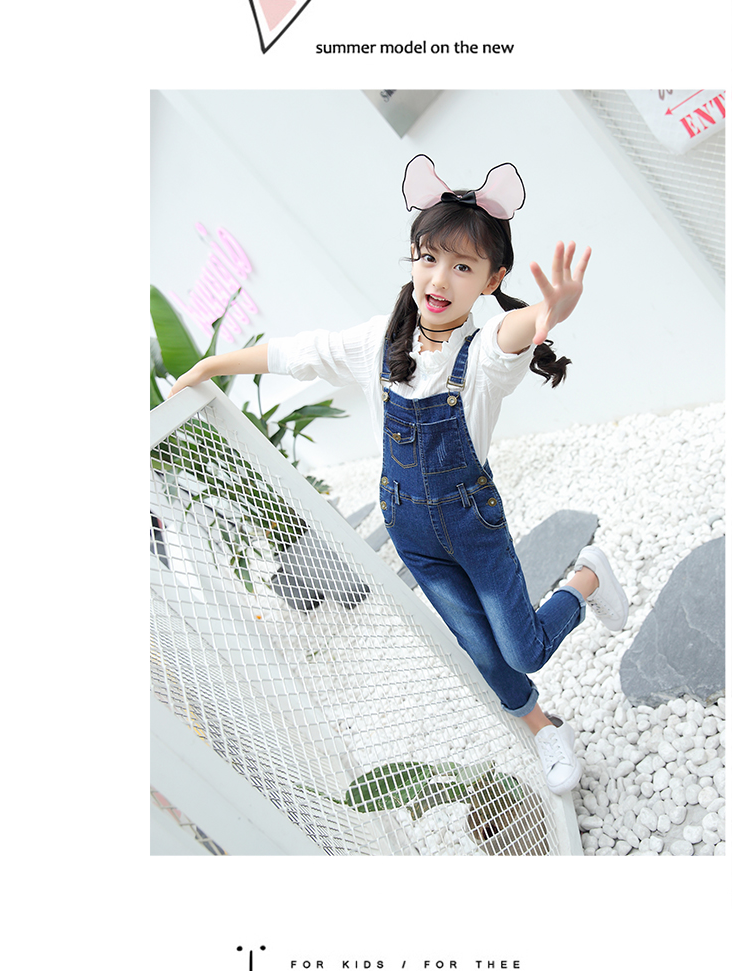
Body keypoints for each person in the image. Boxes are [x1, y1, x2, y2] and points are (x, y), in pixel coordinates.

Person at [168, 154, 629, 794]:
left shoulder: (483, 357)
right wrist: (211, 366)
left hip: (472, 527)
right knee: (480, 650)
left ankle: (586, 577)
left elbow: (512, 333)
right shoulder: (377, 344)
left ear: (492, 279)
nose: (439, 278)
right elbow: (298, 353)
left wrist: (551, 314)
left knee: (524, 649)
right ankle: (543, 728)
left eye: (462, 266)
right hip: (412, 533)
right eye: (429, 257)